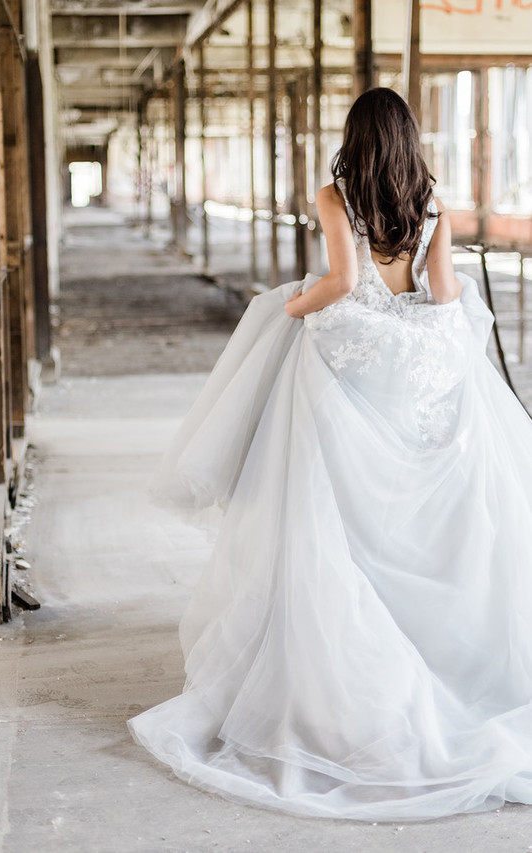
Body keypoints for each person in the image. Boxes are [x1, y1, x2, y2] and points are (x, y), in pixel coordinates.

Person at [128, 87, 532, 822]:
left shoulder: (335, 193)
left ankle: (333, 676)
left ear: (355, 137)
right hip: (416, 366)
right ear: (408, 141)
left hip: (355, 365)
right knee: (445, 513)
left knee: (324, 505)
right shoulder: (432, 203)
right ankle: (451, 665)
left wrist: (288, 305)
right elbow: (443, 302)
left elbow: (344, 284)